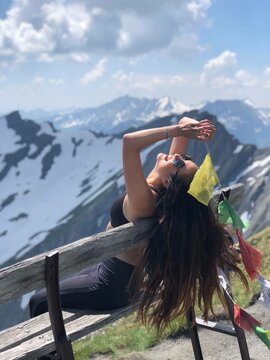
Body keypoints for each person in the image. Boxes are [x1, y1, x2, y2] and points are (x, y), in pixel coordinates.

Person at [29, 116, 247, 333]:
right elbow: (183, 124)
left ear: (167, 182)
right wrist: (195, 128)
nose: (177, 156)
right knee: (48, 290)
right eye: (184, 156)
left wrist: (174, 130)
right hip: (112, 271)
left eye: (180, 162)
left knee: (39, 301)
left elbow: (129, 143)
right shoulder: (161, 189)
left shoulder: (144, 200)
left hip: (112, 287)